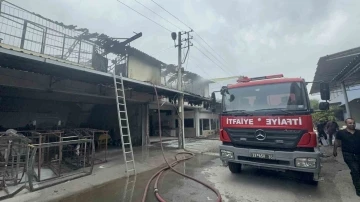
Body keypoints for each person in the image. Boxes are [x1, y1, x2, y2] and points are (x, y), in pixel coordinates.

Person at [333, 118, 360, 197]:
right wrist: (335, 150)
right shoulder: (341, 133)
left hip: (359, 154)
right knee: (356, 171)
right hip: (348, 155)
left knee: (357, 171)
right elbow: (337, 142)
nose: (352, 124)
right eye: (350, 123)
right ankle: (358, 190)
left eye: (353, 123)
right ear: (346, 124)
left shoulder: (358, 132)